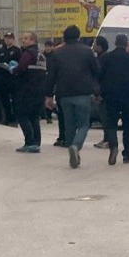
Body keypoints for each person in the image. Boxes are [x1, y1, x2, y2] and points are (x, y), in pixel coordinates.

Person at [45, 25, 101, 169]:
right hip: (83, 93)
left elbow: (51, 76)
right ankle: (76, 146)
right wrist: (97, 91)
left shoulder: (57, 53)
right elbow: (97, 71)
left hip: (64, 94)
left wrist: (49, 96)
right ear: (78, 36)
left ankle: (71, 147)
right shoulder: (87, 51)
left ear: (64, 37)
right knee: (83, 124)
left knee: (69, 124)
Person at [100, 34, 129, 165]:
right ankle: (127, 154)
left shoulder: (106, 58)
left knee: (111, 124)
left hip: (111, 96)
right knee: (127, 126)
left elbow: (99, 75)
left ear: (115, 43)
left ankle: (113, 146)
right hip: (128, 97)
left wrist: (100, 92)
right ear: (126, 44)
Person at [12, 32, 47, 153]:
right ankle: (36, 143)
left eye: (26, 38)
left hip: (27, 90)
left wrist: (13, 70)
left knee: (22, 115)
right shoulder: (41, 55)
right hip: (39, 90)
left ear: (33, 41)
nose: (23, 40)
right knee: (34, 117)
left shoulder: (28, 53)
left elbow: (21, 68)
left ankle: (30, 142)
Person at [92, 36, 111, 150]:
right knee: (103, 116)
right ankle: (106, 138)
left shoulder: (103, 58)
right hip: (102, 90)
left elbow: (99, 74)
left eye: (95, 44)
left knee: (105, 117)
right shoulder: (100, 57)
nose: (93, 46)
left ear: (100, 46)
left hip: (103, 91)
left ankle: (109, 139)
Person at [42, 41, 56, 124]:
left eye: (50, 46)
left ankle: (49, 115)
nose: (48, 48)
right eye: (47, 46)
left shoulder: (55, 56)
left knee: (50, 97)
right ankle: (42, 114)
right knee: (42, 97)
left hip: (51, 79)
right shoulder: (42, 55)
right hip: (42, 78)